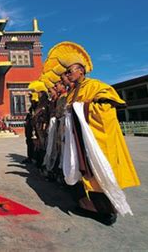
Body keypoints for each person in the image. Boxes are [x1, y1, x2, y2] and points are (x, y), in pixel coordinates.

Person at [56, 41, 141, 225]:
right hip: (79, 141)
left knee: (100, 174)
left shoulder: (95, 86)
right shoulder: (71, 93)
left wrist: (80, 108)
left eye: (70, 71)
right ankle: (91, 206)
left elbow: (106, 108)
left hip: (96, 140)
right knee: (85, 175)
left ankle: (106, 211)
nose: (67, 75)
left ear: (81, 70)